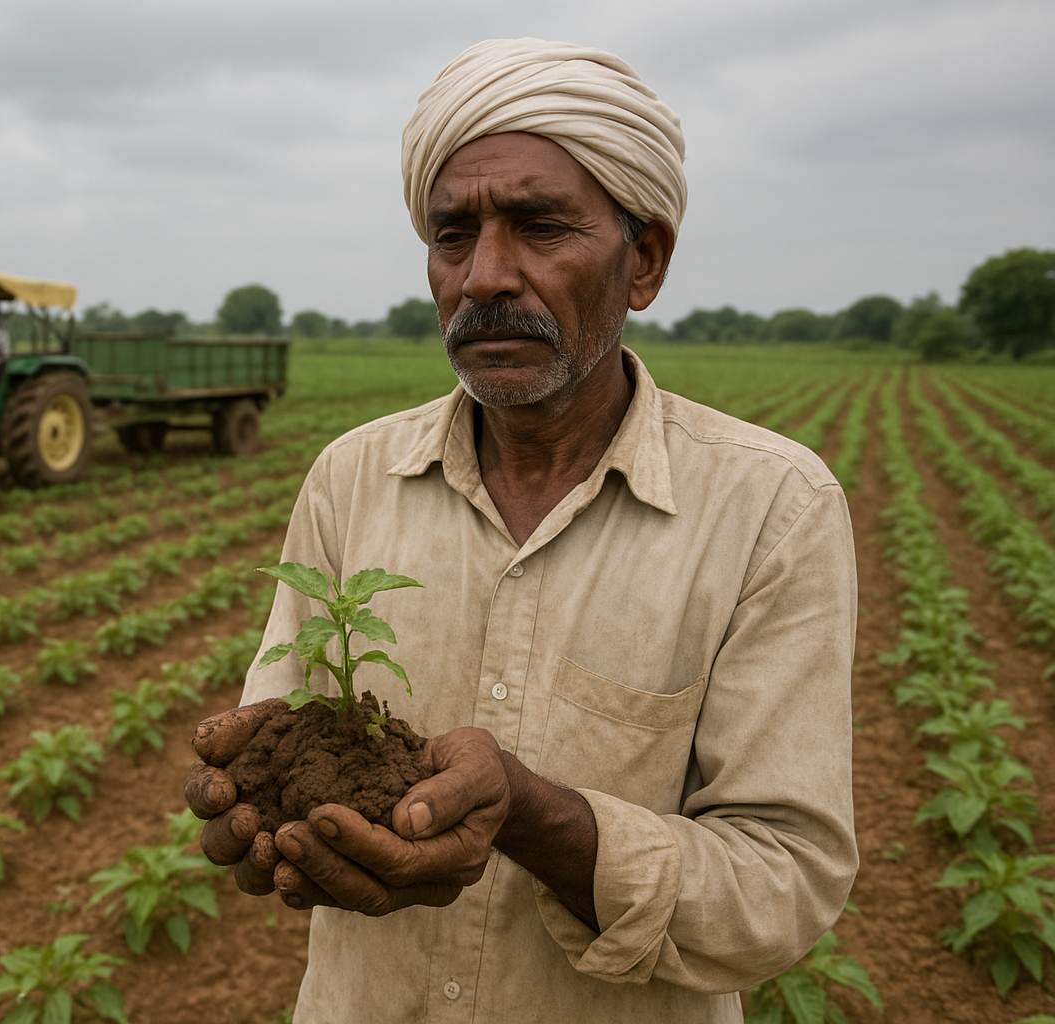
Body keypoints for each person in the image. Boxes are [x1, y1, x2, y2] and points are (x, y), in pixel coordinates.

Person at [185, 37, 858, 1023]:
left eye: (541, 228)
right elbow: (284, 734)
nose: (485, 276)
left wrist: (535, 815)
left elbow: (782, 884)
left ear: (646, 261)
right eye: (453, 237)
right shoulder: (352, 476)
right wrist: (264, 816)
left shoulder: (771, 508)